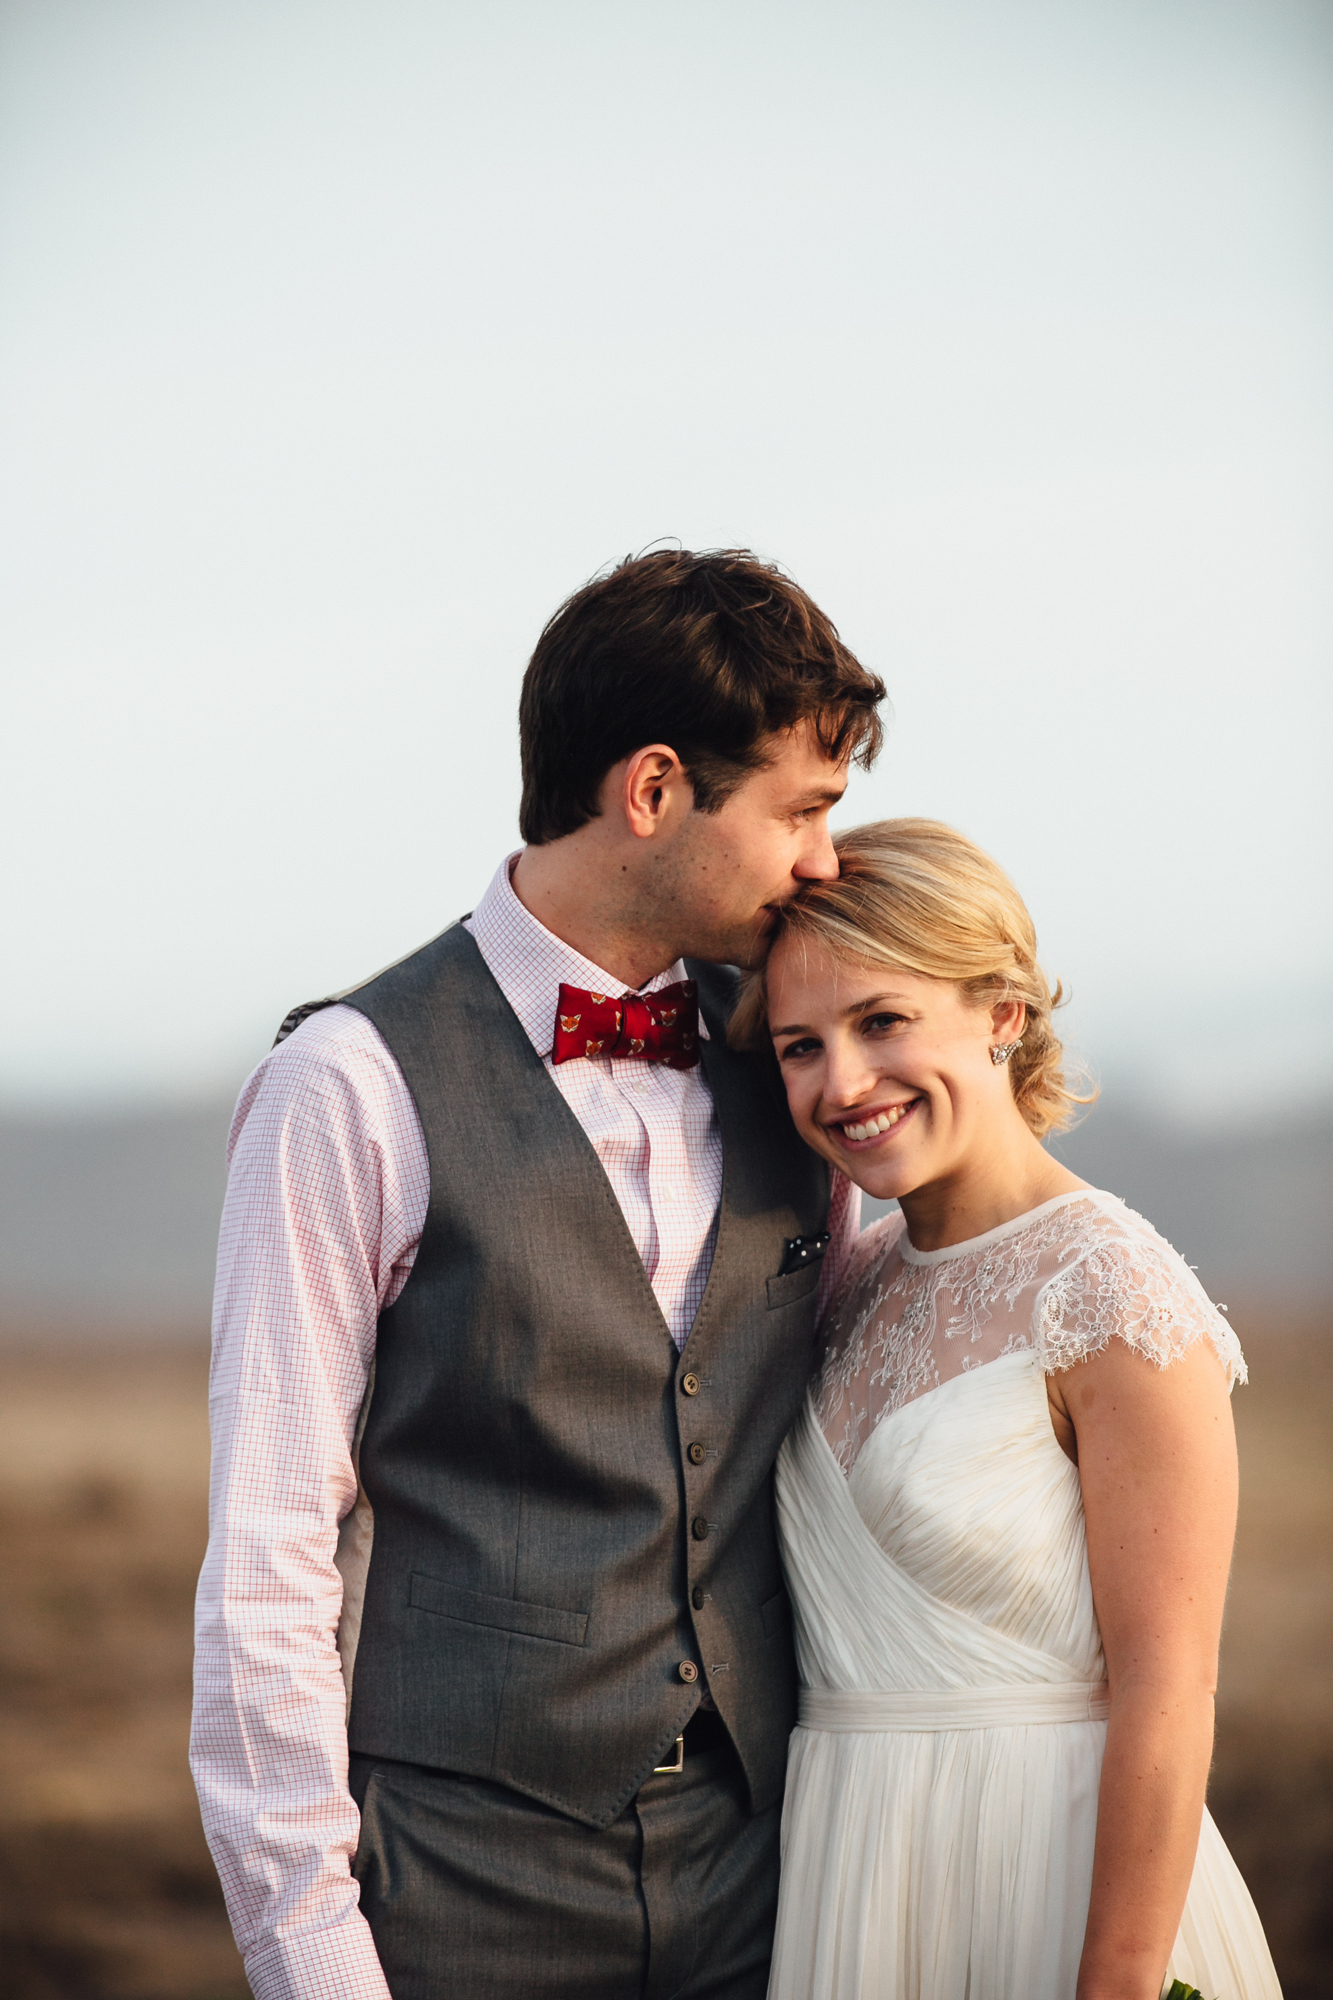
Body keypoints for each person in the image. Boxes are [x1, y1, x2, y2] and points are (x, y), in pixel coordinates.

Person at [190, 548, 886, 2000]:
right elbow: (267, 1560)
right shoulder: (350, 1086)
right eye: (802, 811)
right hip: (453, 1892)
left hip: (766, 1884)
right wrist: (312, 1954)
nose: (826, 861)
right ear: (650, 792)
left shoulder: (804, 1068)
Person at [730, 818, 1282, 2000]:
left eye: (882, 1021)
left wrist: (1116, 1983)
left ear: (1000, 1012)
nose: (842, 1082)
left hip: (1050, 1880)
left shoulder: (1115, 1290)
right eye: (797, 1045)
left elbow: (1169, 1690)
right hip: (853, 1880)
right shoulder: (845, 1281)